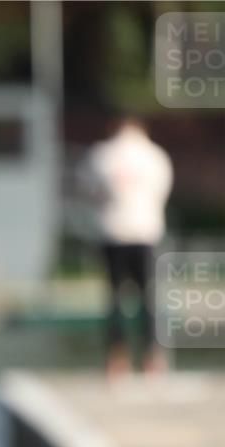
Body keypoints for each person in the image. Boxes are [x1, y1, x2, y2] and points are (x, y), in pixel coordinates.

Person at [81, 117, 173, 378]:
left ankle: (116, 358)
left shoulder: (102, 155)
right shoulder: (155, 156)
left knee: (115, 299)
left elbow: (89, 189)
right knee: (149, 298)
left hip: (113, 232)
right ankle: (152, 357)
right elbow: (162, 191)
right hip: (146, 232)